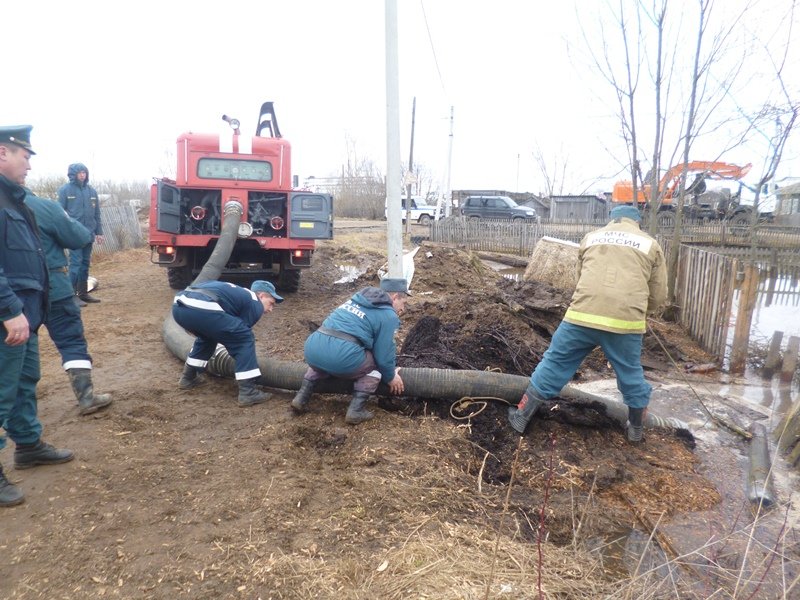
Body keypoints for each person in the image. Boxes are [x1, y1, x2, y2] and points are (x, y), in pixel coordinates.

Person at [507, 205, 667, 443]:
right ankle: (635, 430)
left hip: (582, 316)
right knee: (630, 373)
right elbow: (659, 294)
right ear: (637, 223)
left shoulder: (591, 238)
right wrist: (643, 311)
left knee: (555, 362)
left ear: (611, 220)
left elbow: (580, 277)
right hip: (624, 323)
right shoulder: (650, 244)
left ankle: (521, 416)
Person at [0, 125, 74, 508]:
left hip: (23, 316)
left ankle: (28, 446)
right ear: (2, 153)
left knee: (24, 382)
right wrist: (9, 310)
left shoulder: (15, 201)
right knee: (0, 390)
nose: (29, 164)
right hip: (7, 315)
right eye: (24, 156)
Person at [25, 190, 113, 416]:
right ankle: (86, 397)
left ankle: (23, 416)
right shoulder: (43, 206)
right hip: (53, 285)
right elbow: (80, 237)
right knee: (71, 340)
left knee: (20, 350)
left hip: (14, 294)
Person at [291, 278, 408, 424]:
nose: (402, 309)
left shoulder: (355, 300)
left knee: (332, 353)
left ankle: (301, 398)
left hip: (313, 349)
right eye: (403, 303)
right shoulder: (388, 315)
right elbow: (384, 354)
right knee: (378, 364)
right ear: (395, 297)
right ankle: (356, 411)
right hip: (341, 357)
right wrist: (391, 376)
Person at [172, 280, 283, 407]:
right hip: (202, 306)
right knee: (244, 338)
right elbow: (237, 339)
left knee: (208, 337)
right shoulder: (255, 302)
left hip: (179, 306)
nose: (271, 309)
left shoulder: (240, 295)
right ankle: (248, 392)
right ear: (261, 295)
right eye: (271, 303)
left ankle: (188, 378)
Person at [57, 163, 103, 305]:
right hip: (74, 234)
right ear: (73, 174)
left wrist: (99, 233)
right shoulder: (65, 190)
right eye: (80, 173)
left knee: (85, 264)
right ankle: (71, 296)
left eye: (84, 172)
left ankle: (83, 293)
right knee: (75, 264)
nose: (82, 175)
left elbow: (97, 214)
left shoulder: (92, 191)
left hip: (88, 234)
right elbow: (59, 212)